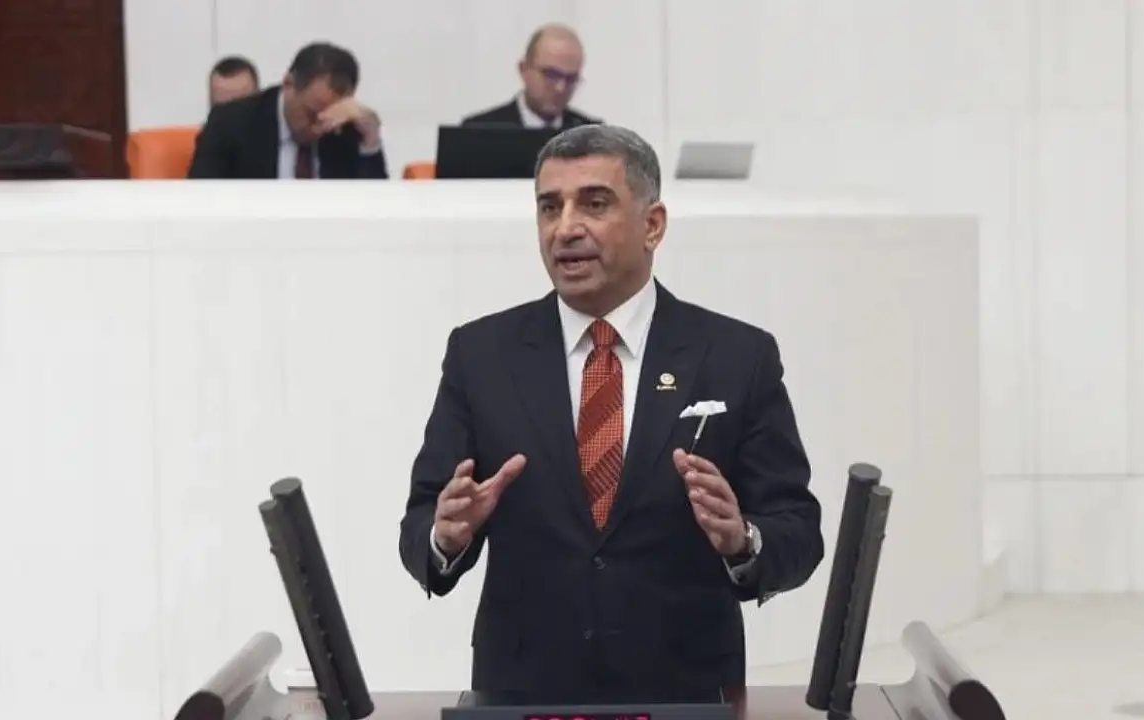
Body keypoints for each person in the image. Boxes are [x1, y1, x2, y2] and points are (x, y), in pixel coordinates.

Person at [398, 124, 823, 698]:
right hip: (524, 693)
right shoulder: (480, 354)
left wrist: (743, 540)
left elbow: (798, 529)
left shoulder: (736, 356)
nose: (566, 228)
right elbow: (421, 523)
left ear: (653, 225)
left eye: (594, 204)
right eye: (550, 207)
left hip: (686, 695)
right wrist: (445, 536)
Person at [187, 42, 387, 179]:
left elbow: (377, 212)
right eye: (312, 114)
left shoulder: (344, 127)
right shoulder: (230, 123)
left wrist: (370, 140)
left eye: (329, 118)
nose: (319, 128)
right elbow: (200, 205)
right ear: (288, 84)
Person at [462, 24, 599, 130]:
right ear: (524, 70)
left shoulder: (592, 136)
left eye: (571, 79)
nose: (560, 87)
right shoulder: (479, 130)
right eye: (551, 75)